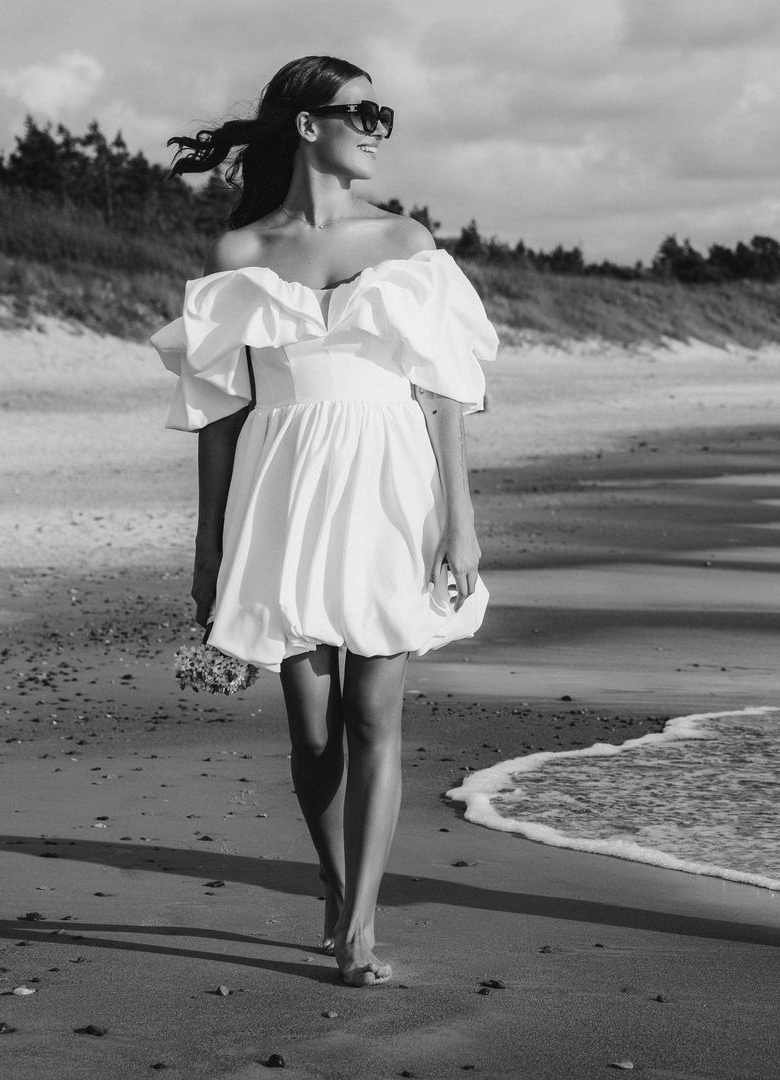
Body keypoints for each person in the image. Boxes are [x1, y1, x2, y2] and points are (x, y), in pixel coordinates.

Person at [153, 55, 498, 986]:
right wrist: (209, 547)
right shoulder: (242, 255)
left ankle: (359, 929)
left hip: (392, 484)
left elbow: (442, 395)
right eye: (364, 112)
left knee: (371, 714)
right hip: (285, 492)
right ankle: (333, 880)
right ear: (309, 125)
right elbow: (219, 419)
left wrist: (459, 524)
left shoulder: (406, 242)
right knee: (311, 733)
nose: (381, 127)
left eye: (385, 113)